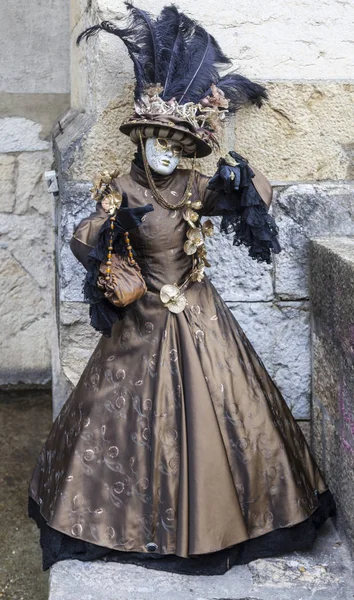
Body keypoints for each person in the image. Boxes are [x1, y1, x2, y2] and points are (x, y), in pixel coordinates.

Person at [28, 3, 335, 576]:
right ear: (141, 139)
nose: (165, 152)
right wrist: (106, 226)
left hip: (200, 312)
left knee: (228, 412)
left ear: (187, 145)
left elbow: (257, 201)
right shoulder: (119, 185)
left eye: (175, 143)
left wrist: (242, 173)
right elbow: (84, 239)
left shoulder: (195, 182)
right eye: (156, 141)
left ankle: (228, 518)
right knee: (123, 423)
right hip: (141, 320)